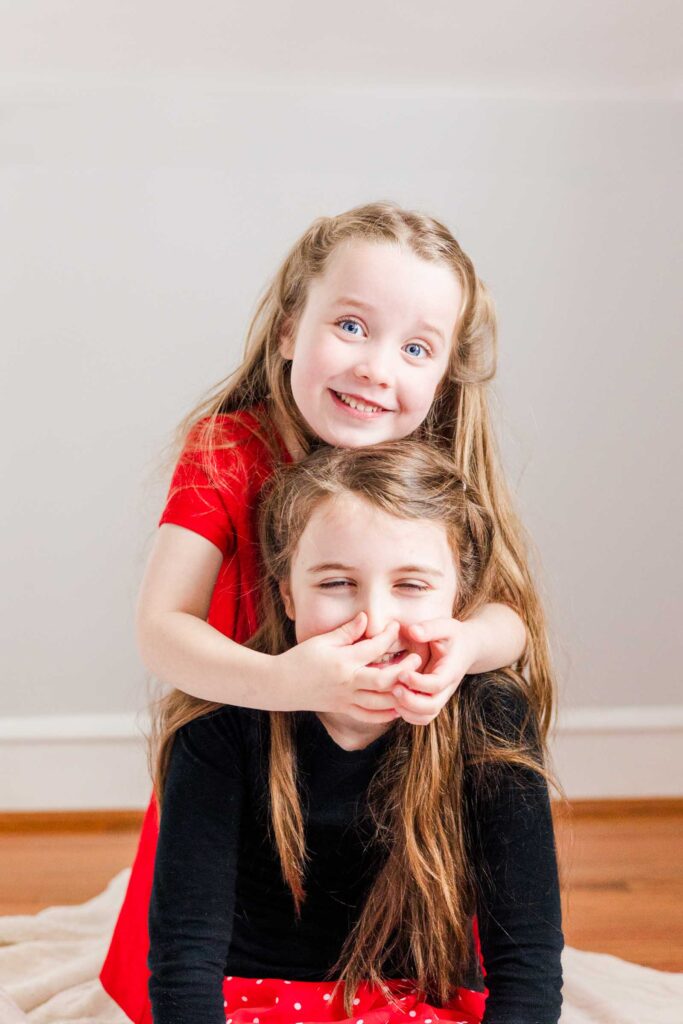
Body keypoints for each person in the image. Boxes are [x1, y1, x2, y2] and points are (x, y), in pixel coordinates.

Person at [100, 200, 556, 1023]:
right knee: (199, 937)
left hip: (392, 768)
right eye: (351, 326)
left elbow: (510, 619)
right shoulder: (229, 449)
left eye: (414, 348)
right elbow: (160, 628)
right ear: (285, 330)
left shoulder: (434, 467)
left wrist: (458, 648)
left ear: (444, 374)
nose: (378, 369)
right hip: (252, 743)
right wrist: (284, 683)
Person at [147, 441, 564, 1024]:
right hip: (256, 1001)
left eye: (412, 585)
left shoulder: (490, 715)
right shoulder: (221, 723)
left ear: (460, 600)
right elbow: (183, 959)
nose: (374, 619)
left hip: (425, 1002)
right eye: (337, 583)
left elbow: (529, 964)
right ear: (289, 594)